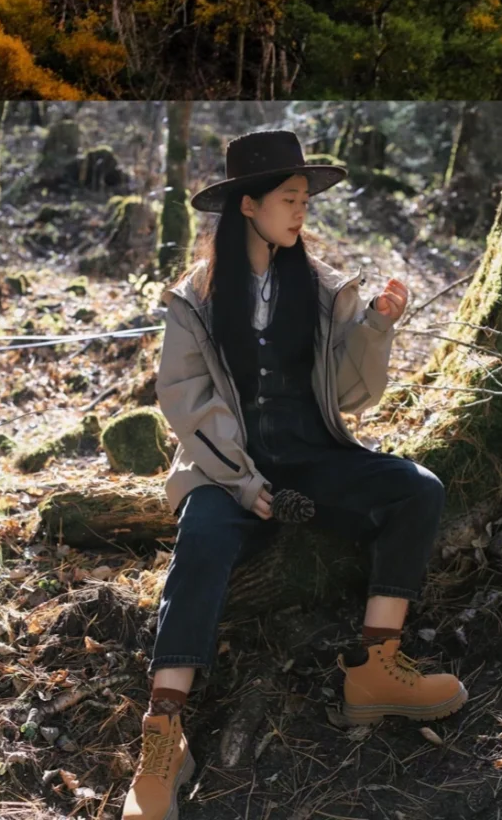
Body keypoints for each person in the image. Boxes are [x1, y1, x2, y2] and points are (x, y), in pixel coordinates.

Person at [122, 129, 466, 820]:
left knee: (417, 490)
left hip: (316, 455)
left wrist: (375, 327)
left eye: (305, 198)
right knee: (201, 546)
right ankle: (162, 735)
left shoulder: (320, 286)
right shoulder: (194, 297)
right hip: (227, 470)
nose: (300, 210)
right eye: (288, 197)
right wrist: (247, 486)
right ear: (247, 206)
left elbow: (349, 397)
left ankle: (374, 667)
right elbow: (184, 400)